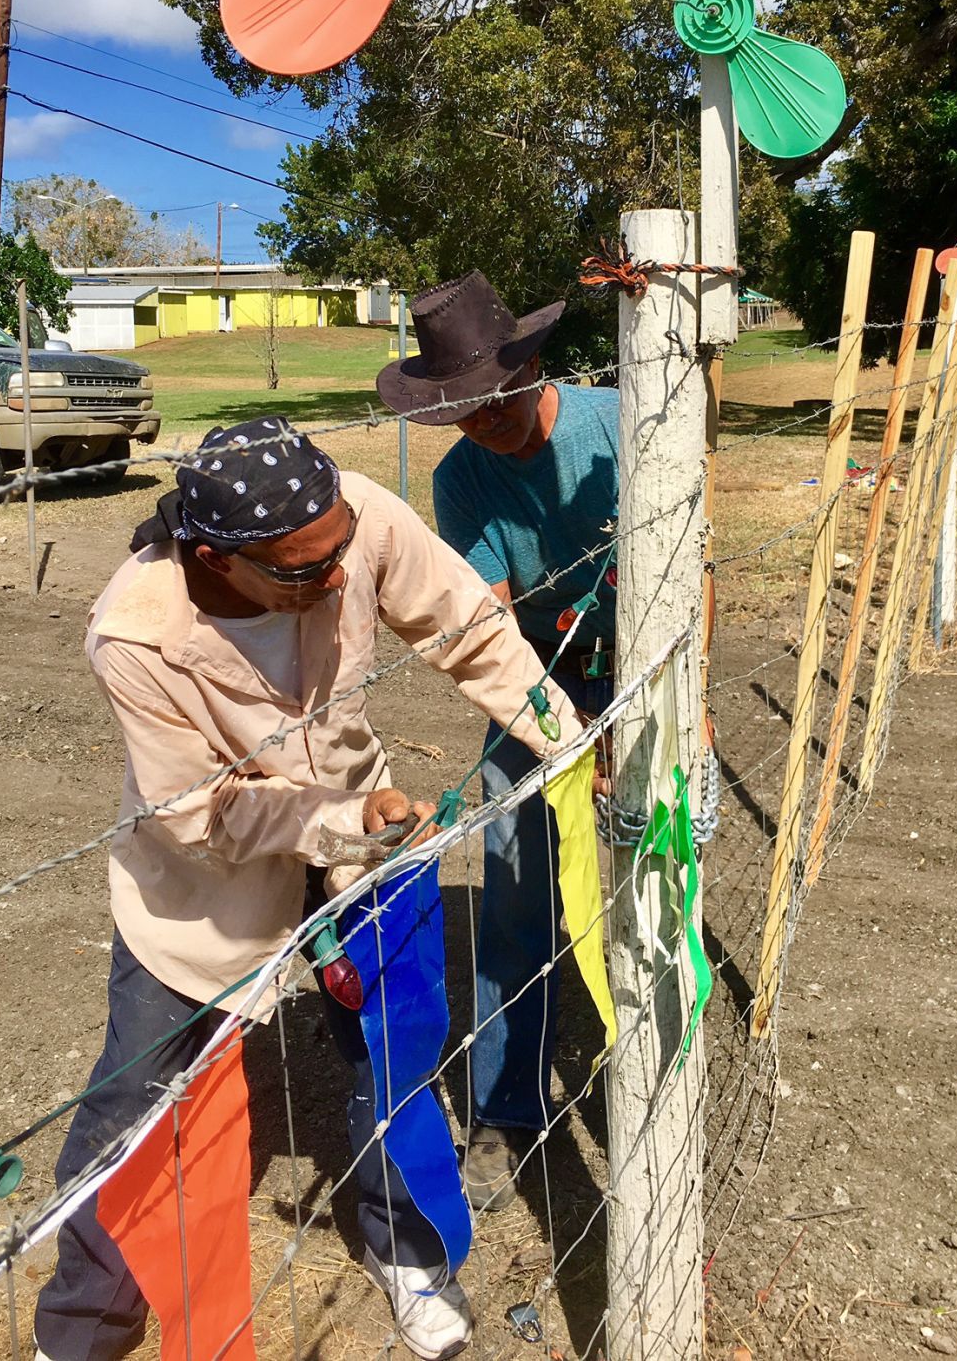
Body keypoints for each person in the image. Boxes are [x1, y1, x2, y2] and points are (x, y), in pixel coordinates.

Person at [33, 414, 576, 1361]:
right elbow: (197, 816)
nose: (335, 578)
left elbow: (466, 620)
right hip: (202, 881)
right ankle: (83, 1328)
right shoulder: (136, 632)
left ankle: (408, 1253)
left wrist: (559, 732)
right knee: (141, 1099)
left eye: (341, 555)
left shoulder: (348, 516)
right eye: (301, 571)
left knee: (400, 1050)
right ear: (215, 555)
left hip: (370, 831)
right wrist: (332, 821)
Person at [377, 272, 618, 1215]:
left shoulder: (618, 425)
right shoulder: (460, 480)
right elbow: (491, 625)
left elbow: (692, 562)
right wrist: (564, 733)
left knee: (649, 855)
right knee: (515, 878)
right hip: (535, 678)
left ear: (532, 366)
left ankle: (641, 1057)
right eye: (460, 415)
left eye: (495, 403)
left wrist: (686, 704)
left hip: (645, 656)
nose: (483, 427)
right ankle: (507, 1107)